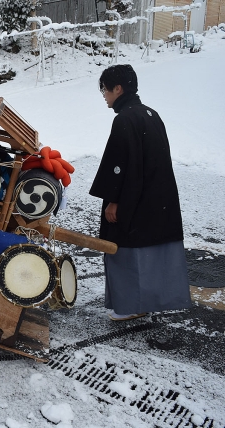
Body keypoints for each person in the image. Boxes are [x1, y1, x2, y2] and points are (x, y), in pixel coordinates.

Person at [89, 64, 191, 321]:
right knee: (148, 250)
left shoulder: (125, 119)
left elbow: (120, 164)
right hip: (154, 197)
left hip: (132, 199)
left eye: (105, 89)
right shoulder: (151, 114)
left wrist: (114, 201)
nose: (104, 95)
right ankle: (145, 301)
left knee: (125, 249)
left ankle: (130, 306)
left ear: (118, 89)